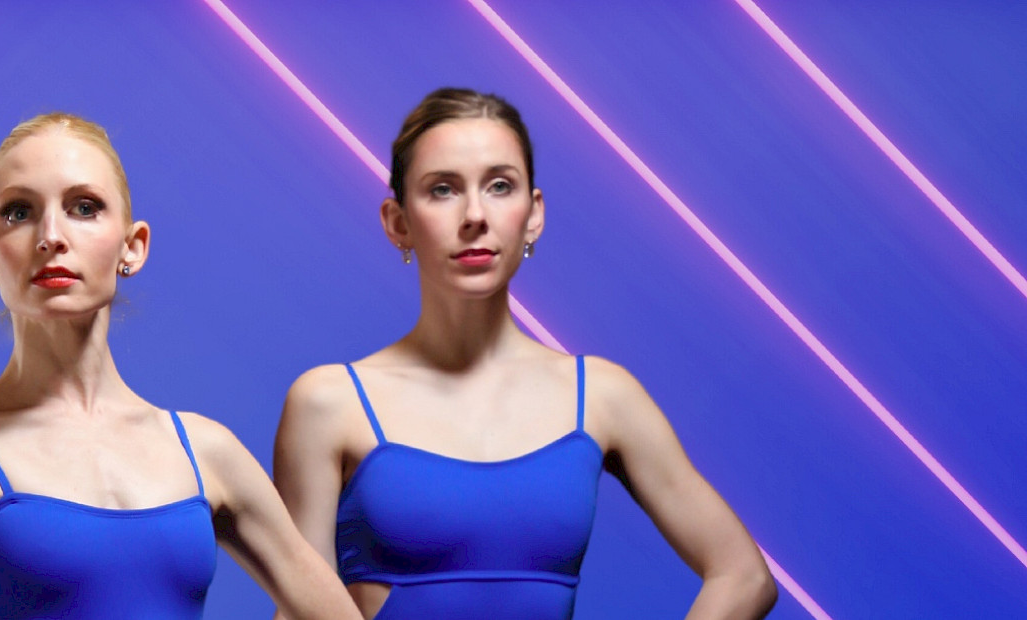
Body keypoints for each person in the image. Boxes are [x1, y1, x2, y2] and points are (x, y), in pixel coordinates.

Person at [273, 87, 778, 619]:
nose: (474, 215)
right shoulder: (327, 403)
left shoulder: (600, 395)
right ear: (398, 222)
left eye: (499, 186)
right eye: (442, 189)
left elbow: (743, 575)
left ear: (533, 213)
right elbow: (297, 611)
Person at [0, 112, 360, 620]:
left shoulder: (206, 452)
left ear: (132, 247)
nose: (50, 235)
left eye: (84, 207)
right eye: (19, 212)